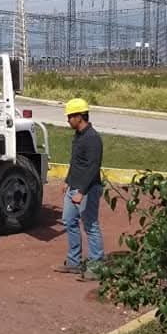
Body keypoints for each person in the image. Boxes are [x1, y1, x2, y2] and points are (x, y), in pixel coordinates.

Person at [53, 98, 104, 280]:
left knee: (90, 226)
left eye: (70, 117)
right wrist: (67, 181)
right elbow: (76, 163)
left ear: (79, 117)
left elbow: (92, 167)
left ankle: (96, 266)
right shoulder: (79, 136)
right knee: (69, 221)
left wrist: (81, 192)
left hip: (88, 189)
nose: (68, 120)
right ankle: (74, 262)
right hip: (74, 187)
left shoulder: (92, 138)